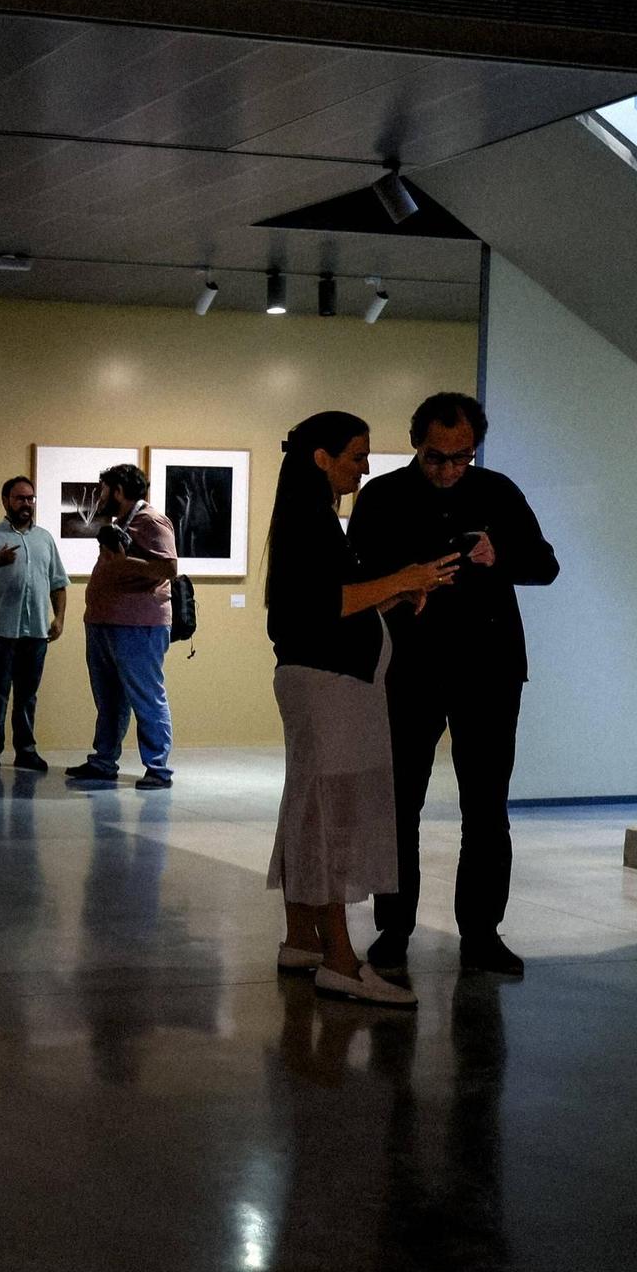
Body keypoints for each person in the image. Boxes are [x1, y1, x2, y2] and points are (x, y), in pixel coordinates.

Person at [349, 393, 560, 978]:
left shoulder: (498, 492)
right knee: (399, 802)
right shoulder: (383, 496)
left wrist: (501, 554)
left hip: (489, 669)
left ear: (475, 448)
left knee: (487, 804)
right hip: (408, 667)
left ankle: (483, 931)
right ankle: (394, 928)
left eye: (461, 457)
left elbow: (545, 564)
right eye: (436, 457)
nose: (448, 469)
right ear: (417, 443)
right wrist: (403, 580)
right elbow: (355, 577)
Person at [266, 411, 460, 1008]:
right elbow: (323, 602)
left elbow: (329, 603)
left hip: (327, 680)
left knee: (310, 806)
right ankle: (341, 961)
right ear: (321, 458)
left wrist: (394, 592)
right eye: (355, 455)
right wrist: (404, 575)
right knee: (331, 814)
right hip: (329, 685)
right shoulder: (308, 518)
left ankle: (302, 937)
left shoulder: (313, 516)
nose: (366, 466)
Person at [67, 463, 178, 788]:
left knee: (146, 696)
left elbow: (168, 568)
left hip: (138, 625)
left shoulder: (151, 520)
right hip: (105, 623)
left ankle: (158, 769)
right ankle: (103, 761)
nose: (99, 496)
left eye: (103, 489)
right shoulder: (123, 523)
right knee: (109, 700)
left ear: (118, 490)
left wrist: (123, 562)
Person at [0, 474, 68, 772]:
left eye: (30, 498)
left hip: (35, 632)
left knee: (27, 696)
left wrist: (59, 618)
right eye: (20, 498)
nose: (26, 504)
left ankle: (26, 751)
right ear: (6, 501)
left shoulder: (44, 539)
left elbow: (58, 583)